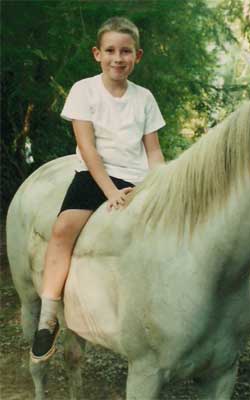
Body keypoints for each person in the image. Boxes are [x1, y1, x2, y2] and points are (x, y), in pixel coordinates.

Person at [31, 16, 166, 362]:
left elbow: (152, 150)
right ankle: (48, 316)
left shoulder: (145, 98)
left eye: (126, 51)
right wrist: (108, 192)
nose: (117, 58)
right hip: (94, 176)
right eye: (110, 50)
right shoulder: (84, 90)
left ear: (138, 56)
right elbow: (88, 149)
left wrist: (162, 186)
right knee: (62, 231)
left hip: (137, 178)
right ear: (97, 54)